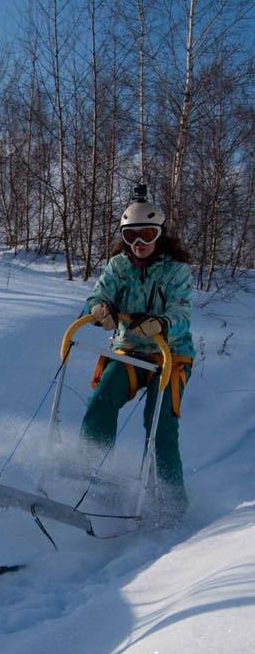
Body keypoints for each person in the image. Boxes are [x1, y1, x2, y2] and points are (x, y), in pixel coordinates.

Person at [80, 193, 194, 521]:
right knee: (101, 400)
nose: (139, 243)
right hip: (129, 350)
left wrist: (162, 323)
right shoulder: (119, 265)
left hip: (170, 354)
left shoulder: (176, 270)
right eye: (131, 236)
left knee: (158, 423)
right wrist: (99, 310)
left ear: (160, 235)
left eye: (147, 235)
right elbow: (98, 294)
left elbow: (182, 310)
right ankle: (89, 478)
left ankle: (172, 503)